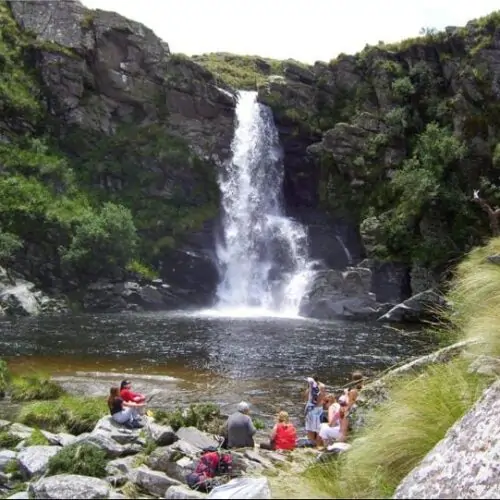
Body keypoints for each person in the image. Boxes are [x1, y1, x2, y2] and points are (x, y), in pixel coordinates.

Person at [304, 376, 325, 446]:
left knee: (310, 429)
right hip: (318, 410)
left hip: (310, 410)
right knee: (319, 429)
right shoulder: (322, 387)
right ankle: (318, 445)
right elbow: (320, 400)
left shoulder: (309, 390)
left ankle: (311, 445)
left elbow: (307, 399)